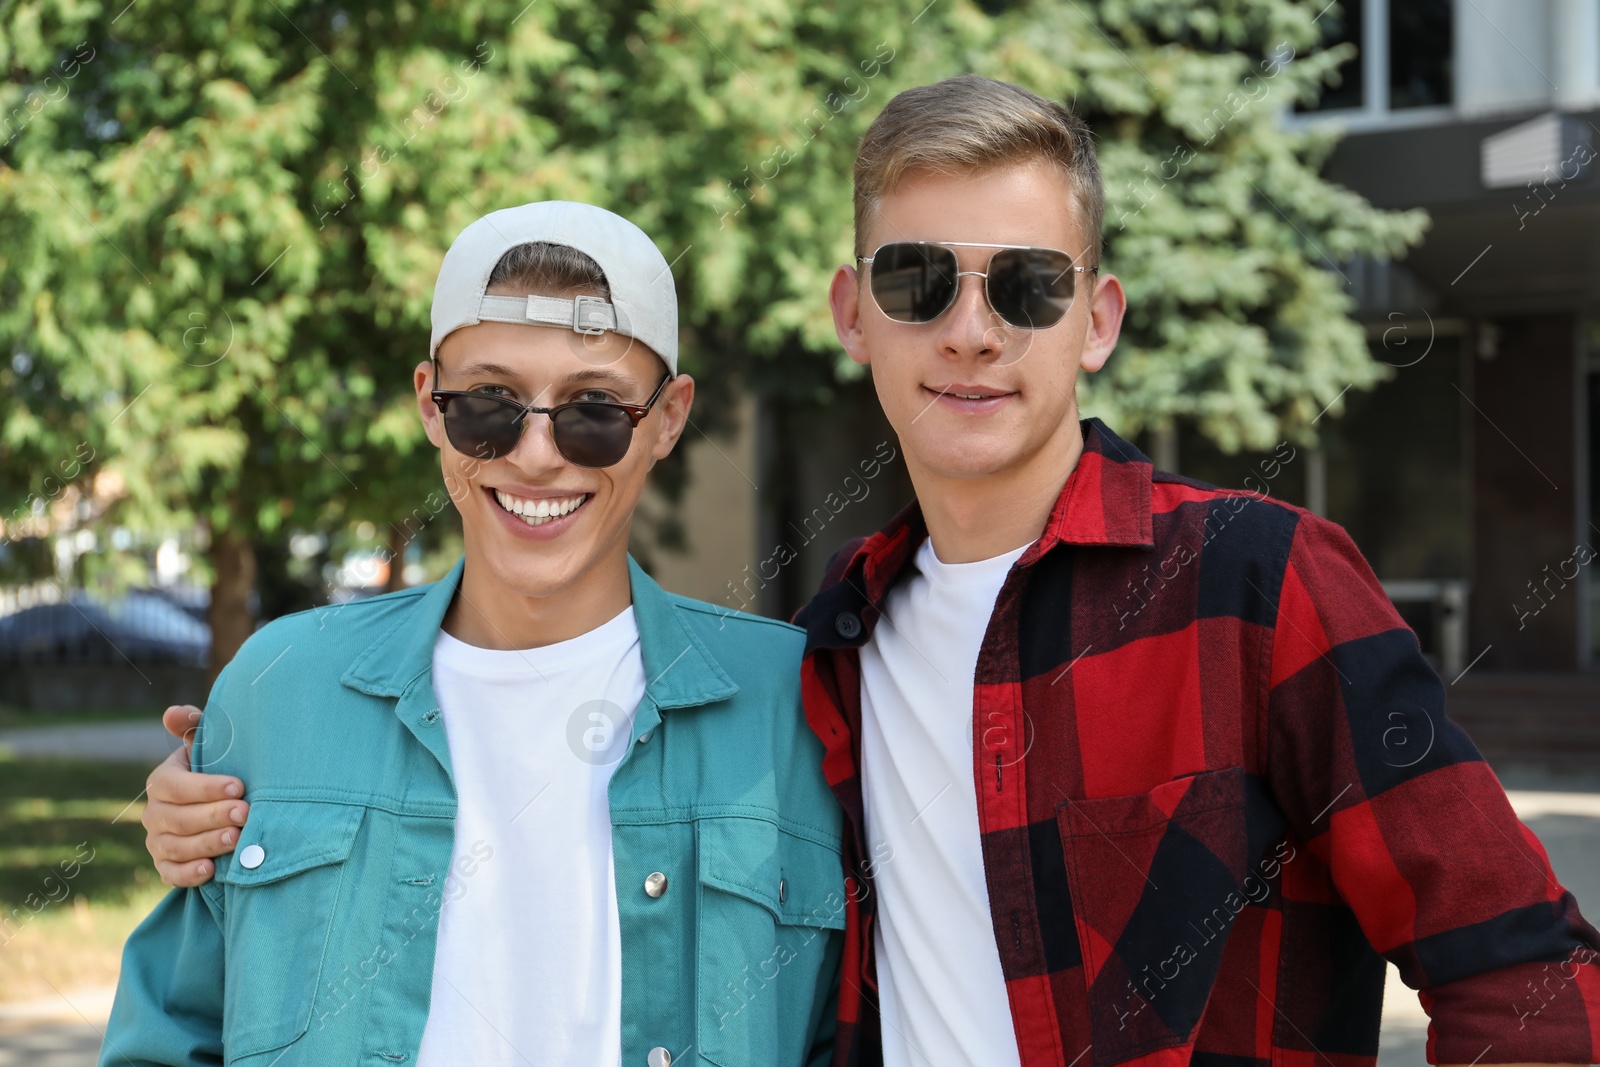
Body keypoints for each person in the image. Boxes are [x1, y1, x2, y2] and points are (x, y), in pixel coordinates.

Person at [139, 78, 1600, 1067]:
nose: (970, 329)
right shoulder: (833, 645)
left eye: (1023, 285)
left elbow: (1524, 969)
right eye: (919, 281)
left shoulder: (1251, 578)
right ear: (856, 313)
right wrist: (216, 791)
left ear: (1096, 320)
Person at [103, 201, 844, 1067]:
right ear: (430, 403)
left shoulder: (797, 704)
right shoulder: (281, 685)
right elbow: (172, 1031)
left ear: (669, 418)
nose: (534, 456)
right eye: (489, 405)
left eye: (594, 409)